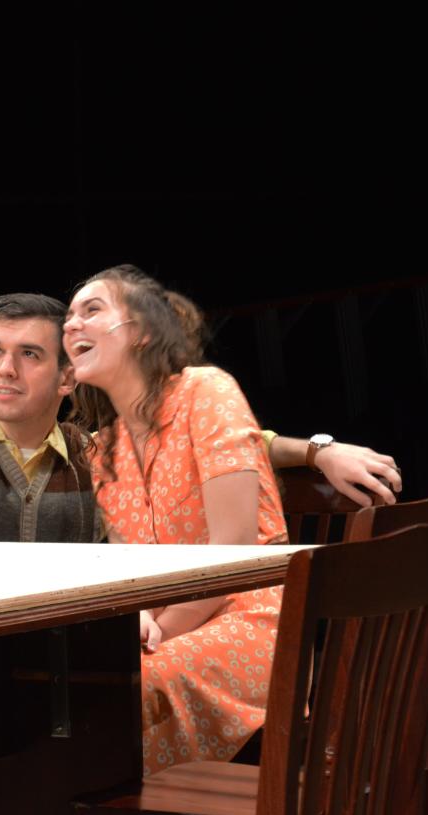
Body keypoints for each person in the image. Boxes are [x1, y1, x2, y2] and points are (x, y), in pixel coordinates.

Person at [0, 178, 401, 542]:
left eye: (29, 355)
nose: (4, 368)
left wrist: (317, 451)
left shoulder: (96, 452)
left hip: (64, 693)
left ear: (67, 378)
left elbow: (228, 442)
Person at [64, 264, 297, 775]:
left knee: (133, 688)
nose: (71, 326)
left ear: (142, 331)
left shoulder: (204, 392)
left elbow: (233, 553)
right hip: (176, 631)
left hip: (253, 618)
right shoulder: (105, 450)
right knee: (76, 694)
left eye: (92, 310)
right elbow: (140, 580)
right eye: (69, 317)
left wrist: (159, 632)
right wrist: (141, 617)